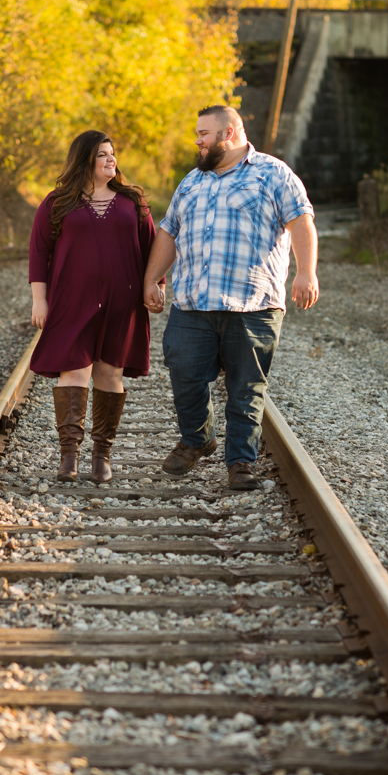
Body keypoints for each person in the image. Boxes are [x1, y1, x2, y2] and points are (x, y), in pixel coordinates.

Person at [142, 105, 318, 490]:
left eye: (204, 134)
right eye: (197, 134)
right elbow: (169, 232)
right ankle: (198, 438)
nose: (197, 141)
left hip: (253, 305)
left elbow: (301, 221)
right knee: (184, 374)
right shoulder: (191, 181)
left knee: (245, 389)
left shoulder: (272, 173)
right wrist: (151, 279)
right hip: (193, 305)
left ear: (229, 134)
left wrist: (306, 271)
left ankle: (240, 462)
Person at [29, 130, 162, 484]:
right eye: (103, 154)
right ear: (85, 159)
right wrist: (39, 299)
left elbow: (152, 248)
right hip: (71, 302)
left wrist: (155, 286)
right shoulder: (57, 203)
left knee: (109, 374)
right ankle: (68, 456)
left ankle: (102, 455)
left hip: (124, 305)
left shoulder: (132, 202)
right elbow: (39, 253)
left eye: (113, 153)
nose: (111, 159)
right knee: (73, 371)